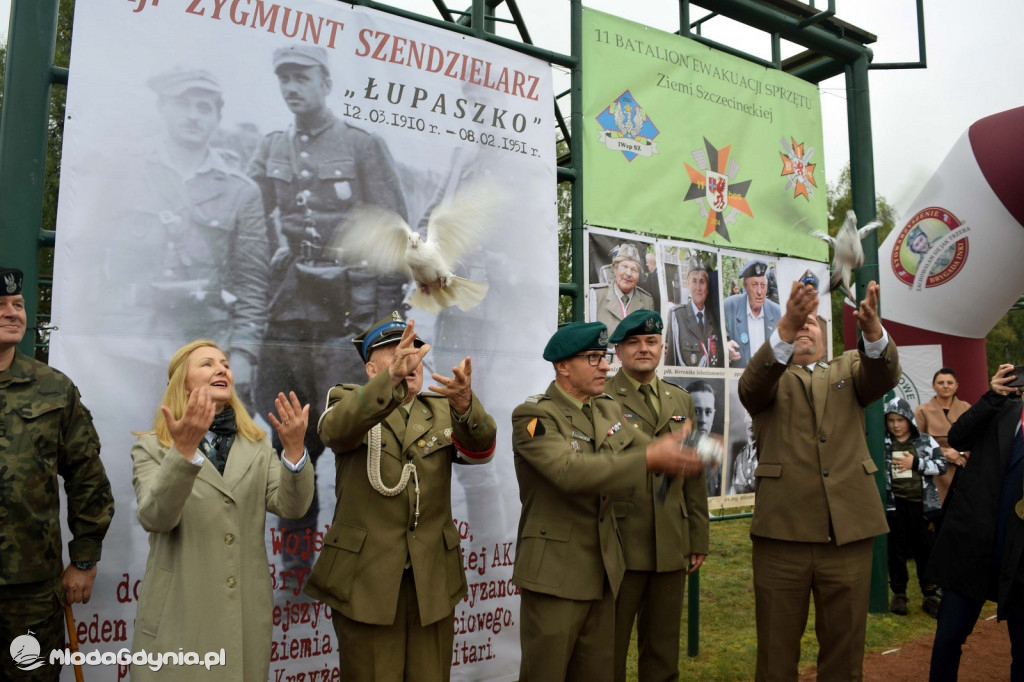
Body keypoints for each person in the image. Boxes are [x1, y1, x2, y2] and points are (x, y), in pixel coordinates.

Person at [248, 44, 410, 567]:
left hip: (350, 315)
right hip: (290, 312)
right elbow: (253, 222)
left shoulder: (362, 146)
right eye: (284, 79)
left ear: (325, 80)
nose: (293, 87)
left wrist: (383, 329)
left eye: (302, 77)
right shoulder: (272, 148)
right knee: (288, 443)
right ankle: (297, 568)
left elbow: (395, 236)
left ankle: (358, 565)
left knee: (356, 446)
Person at [304, 313, 496, 681]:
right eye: (396, 356)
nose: (409, 363)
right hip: (367, 581)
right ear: (371, 368)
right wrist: (389, 381)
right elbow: (335, 430)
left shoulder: (440, 408)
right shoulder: (348, 400)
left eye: (414, 355)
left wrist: (466, 407)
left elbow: (480, 451)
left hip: (431, 580)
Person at [511, 321, 702, 681]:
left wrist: (695, 450)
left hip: (604, 573)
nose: (604, 366)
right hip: (556, 574)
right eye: (593, 357)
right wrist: (650, 459)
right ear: (563, 366)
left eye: (604, 357)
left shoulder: (605, 410)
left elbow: (648, 447)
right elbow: (570, 471)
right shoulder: (535, 416)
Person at [737, 278, 899, 681]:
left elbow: (883, 375)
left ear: (826, 338)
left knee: (844, 657)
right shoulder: (770, 377)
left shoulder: (850, 368)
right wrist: (786, 326)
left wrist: (873, 332)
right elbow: (750, 387)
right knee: (776, 655)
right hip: (782, 535)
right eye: (798, 324)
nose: (805, 328)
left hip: (846, 534)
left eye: (812, 324)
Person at [130, 340, 314, 681]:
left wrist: (294, 452)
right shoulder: (152, 447)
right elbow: (155, 517)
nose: (222, 368)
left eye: (225, 363)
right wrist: (183, 452)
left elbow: (292, 506)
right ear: (183, 383)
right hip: (179, 614)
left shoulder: (258, 445)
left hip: (243, 615)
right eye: (207, 363)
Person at [91, 67, 270, 396]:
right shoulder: (124, 173)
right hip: (127, 343)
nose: (193, 116)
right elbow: (88, 256)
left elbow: (252, 281)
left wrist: (243, 353)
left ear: (217, 117)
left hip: (206, 349)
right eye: (183, 104)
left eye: (204, 108)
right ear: (163, 107)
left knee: (202, 448)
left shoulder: (241, 191)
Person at [0, 267, 115, 682]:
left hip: (30, 591)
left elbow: (87, 477)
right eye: (0, 306)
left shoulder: (53, 389)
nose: (12, 313)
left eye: (18, 305)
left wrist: (83, 559)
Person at [606, 310, 709, 682]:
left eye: (651, 342)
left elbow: (692, 473)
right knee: (609, 651)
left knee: (663, 653)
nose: (643, 349)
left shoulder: (680, 400)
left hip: (670, 540)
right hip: (619, 542)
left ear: (662, 347)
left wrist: (697, 536)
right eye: (633, 342)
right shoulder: (602, 397)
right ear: (618, 351)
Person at [927, 364, 1024, 681]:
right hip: (973, 545)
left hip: (1021, 554)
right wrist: (992, 396)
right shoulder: (999, 409)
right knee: (948, 639)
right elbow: (958, 436)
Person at [882, 397, 946, 618]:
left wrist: (916, 463)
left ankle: (930, 595)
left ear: (909, 420)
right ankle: (899, 594)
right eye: (891, 420)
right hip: (895, 506)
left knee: (925, 551)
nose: (895, 425)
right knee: (896, 551)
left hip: (923, 506)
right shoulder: (882, 443)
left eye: (900, 420)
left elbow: (942, 466)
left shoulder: (926, 441)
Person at [915, 368, 972, 503]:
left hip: (963, 468)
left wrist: (960, 452)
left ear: (956, 386)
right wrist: (945, 454)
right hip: (936, 471)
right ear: (934, 386)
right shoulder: (923, 410)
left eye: (949, 383)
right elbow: (917, 442)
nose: (945, 386)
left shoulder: (966, 408)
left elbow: (976, 439)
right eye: (941, 383)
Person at [665, 258, 723, 367]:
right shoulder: (676, 316)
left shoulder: (714, 318)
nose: (698, 288)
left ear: (708, 288)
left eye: (702, 282)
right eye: (694, 281)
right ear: (688, 284)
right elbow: (670, 360)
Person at [724, 260, 781, 368]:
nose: (760, 291)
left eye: (763, 285)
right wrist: (725, 347)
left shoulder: (777, 313)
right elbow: (716, 341)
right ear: (745, 286)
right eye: (755, 285)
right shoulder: (729, 307)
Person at [592, 243, 655, 339]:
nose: (628, 273)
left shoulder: (647, 301)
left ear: (638, 276)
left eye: (634, 270)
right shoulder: (596, 296)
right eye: (624, 267)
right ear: (615, 270)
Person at [688, 380, 722, 498]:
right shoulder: (671, 454)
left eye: (708, 412)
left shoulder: (719, 457)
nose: (703, 419)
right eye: (697, 411)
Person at [728, 411, 757, 495]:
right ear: (745, 419)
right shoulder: (740, 457)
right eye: (748, 415)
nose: (751, 420)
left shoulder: (766, 454)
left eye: (755, 415)